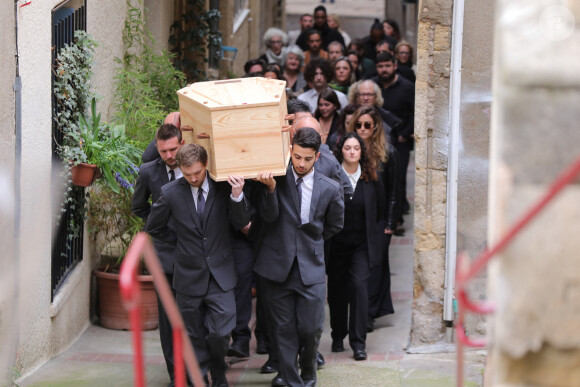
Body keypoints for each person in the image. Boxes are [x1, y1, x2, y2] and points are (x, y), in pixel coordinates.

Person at [146, 143, 250, 387]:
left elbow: (241, 222)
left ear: (205, 166)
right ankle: (200, 376)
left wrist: (237, 196)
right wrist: (180, 244)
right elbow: (154, 226)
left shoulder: (224, 187)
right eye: (188, 173)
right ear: (181, 169)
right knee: (192, 334)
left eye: (197, 172)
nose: (193, 178)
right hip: (188, 275)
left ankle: (218, 369)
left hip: (221, 275)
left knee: (221, 331)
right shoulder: (171, 192)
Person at [253, 127, 345, 387]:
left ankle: (308, 370)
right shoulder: (275, 178)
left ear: (317, 157)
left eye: (307, 158)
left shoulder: (330, 188)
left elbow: (334, 225)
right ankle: (292, 381)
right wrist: (270, 190)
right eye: (297, 157)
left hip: (310, 265)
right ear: (290, 152)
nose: (301, 163)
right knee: (282, 330)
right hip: (276, 266)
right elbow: (267, 217)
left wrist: (310, 241)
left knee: (311, 327)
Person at [131, 123, 185, 387]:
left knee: (195, 315)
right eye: (163, 151)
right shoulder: (148, 172)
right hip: (164, 254)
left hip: (195, 253)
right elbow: (138, 206)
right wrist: (159, 224)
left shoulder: (194, 166)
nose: (169, 156)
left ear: (182, 144)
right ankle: (176, 375)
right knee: (168, 319)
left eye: (173, 149)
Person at [328, 132, 387, 361]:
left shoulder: (371, 178)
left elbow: (380, 212)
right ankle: (337, 334)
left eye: (356, 148)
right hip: (336, 244)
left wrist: (377, 241)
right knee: (337, 292)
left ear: (362, 152)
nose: (352, 152)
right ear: (340, 151)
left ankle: (358, 342)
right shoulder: (332, 177)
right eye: (347, 148)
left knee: (359, 288)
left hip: (361, 245)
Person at [346, 105, 399, 332]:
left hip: (378, 222)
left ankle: (369, 314)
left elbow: (394, 192)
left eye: (367, 124)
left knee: (376, 266)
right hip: (355, 222)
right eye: (358, 125)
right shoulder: (348, 150)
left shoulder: (387, 153)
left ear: (375, 126)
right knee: (357, 270)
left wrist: (389, 224)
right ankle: (360, 313)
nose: (362, 129)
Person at [371, 52, 415, 217]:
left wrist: (405, 133)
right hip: (376, 139)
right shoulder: (373, 86)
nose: (384, 70)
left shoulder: (407, 87)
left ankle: (397, 217)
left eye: (387, 66)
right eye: (381, 67)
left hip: (400, 140)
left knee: (399, 177)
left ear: (395, 66)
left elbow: (415, 113)